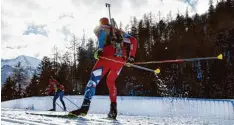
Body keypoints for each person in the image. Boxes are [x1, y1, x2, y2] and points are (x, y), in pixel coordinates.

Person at [69, 17, 138, 119]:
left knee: (93, 80)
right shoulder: (120, 32)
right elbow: (134, 40)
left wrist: (100, 49)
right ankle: (113, 111)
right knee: (110, 81)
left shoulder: (101, 28)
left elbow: (101, 36)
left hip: (107, 56)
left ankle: (84, 108)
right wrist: (131, 57)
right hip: (120, 60)